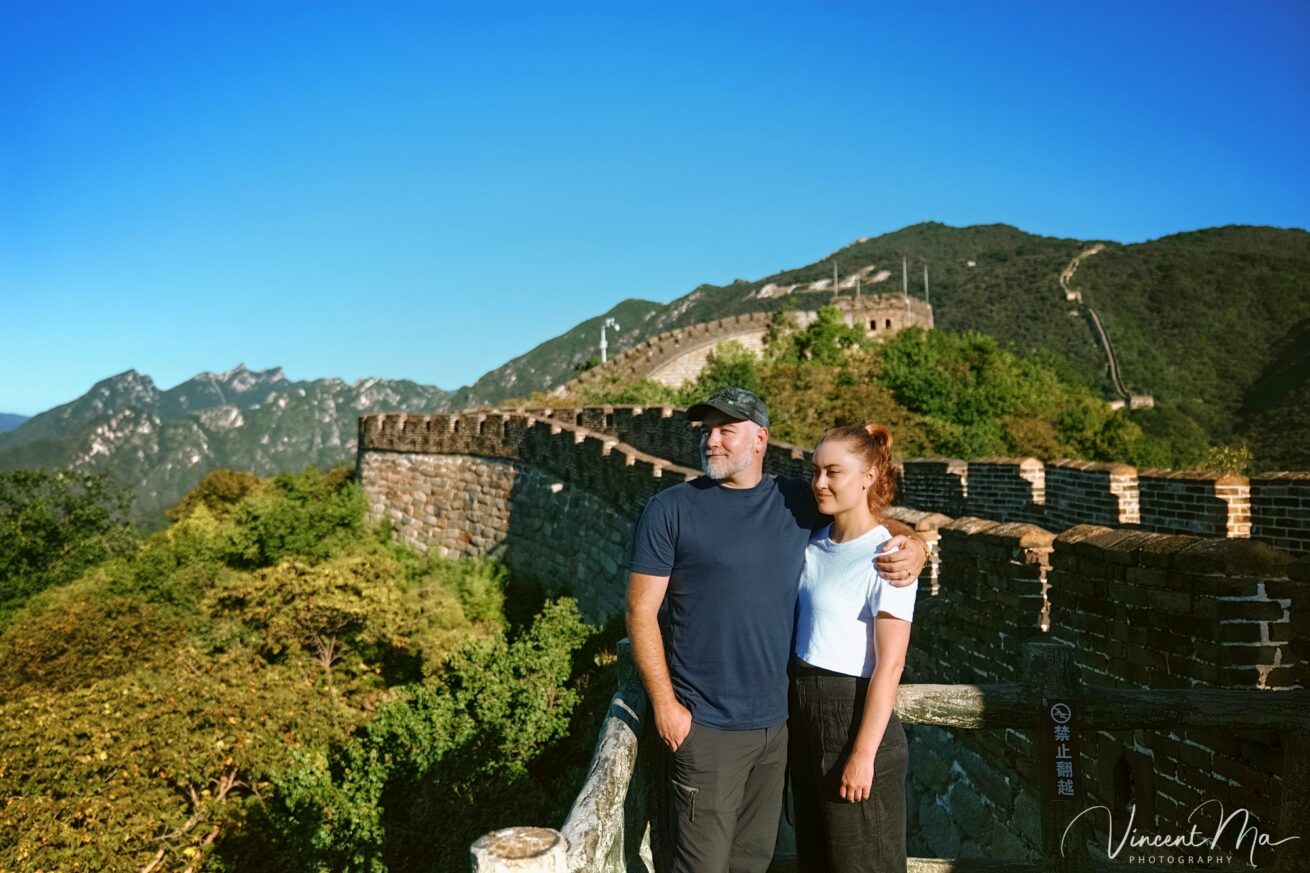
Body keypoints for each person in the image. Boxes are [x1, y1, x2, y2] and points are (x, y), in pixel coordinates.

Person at [626, 388, 926, 873]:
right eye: (707, 431)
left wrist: (914, 543)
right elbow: (640, 612)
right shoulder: (671, 509)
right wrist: (665, 707)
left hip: (779, 729)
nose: (712, 442)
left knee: (756, 862)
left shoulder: (794, 503)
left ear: (760, 438)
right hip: (708, 726)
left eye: (727, 430)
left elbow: (860, 518)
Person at [789, 423, 916, 873]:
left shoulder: (889, 557)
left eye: (834, 472)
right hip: (805, 717)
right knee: (819, 860)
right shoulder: (813, 544)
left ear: (867, 477)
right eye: (816, 471)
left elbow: (891, 665)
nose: (820, 483)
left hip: (854, 721)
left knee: (865, 863)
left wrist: (862, 756)